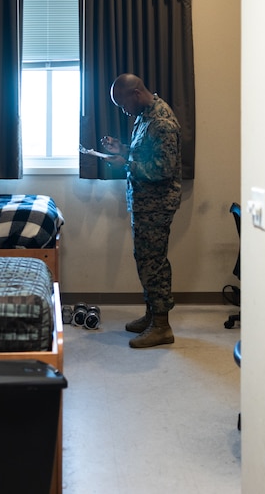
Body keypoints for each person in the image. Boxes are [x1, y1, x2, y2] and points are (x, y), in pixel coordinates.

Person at [99, 73, 183, 348]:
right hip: (145, 203)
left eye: (123, 104)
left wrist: (125, 163)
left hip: (157, 205)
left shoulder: (161, 122)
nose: (123, 111)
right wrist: (122, 148)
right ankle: (152, 316)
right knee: (145, 260)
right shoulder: (145, 116)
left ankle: (162, 326)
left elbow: (163, 169)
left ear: (134, 93)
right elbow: (145, 153)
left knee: (154, 263)